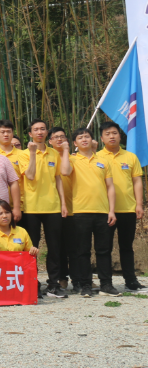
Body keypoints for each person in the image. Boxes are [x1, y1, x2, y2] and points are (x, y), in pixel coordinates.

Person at [61, 127, 117, 297]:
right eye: (80, 137)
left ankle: (106, 284)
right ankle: (85, 285)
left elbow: (110, 187)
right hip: (80, 212)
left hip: (102, 211)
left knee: (104, 250)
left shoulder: (103, 161)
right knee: (82, 251)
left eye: (87, 136)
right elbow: (64, 172)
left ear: (92, 140)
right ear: (75, 143)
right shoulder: (72, 160)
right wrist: (65, 150)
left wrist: (112, 211)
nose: (84, 139)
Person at [17, 118, 68, 298]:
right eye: (36, 129)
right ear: (30, 133)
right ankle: (33, 283)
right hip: (31, 208)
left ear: (47, 133)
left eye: (43, 129)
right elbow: (30, 175)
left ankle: (53, 284)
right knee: (32, 248)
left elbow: (58, 179)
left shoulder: (54, 153)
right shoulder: (23, 154)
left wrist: (63, 203)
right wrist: (32, 154)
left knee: (55, 248)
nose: (40, 132)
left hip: (53, 207)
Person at [96, 121, 148, 293]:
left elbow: (137, 181)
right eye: (107, 134)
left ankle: (131, 281)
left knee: (126, 246)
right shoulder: (96, 157)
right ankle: (106, 283)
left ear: (120, 136)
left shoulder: (130, 157)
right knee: (104, 248)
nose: (111, 136)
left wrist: (139, 204)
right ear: (101, 138)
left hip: (127, 209)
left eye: (114, 133)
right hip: (104, 210)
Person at [49, 127, 77, 292]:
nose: (59, 139)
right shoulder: (48, 156)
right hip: (54, 207)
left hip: (73, 207)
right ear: (50, 141)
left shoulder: (74, 158)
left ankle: (79, 278)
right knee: (58, 246)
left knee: (75, 246)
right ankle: (61, 277)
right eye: (56, 137)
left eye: (62, 136)